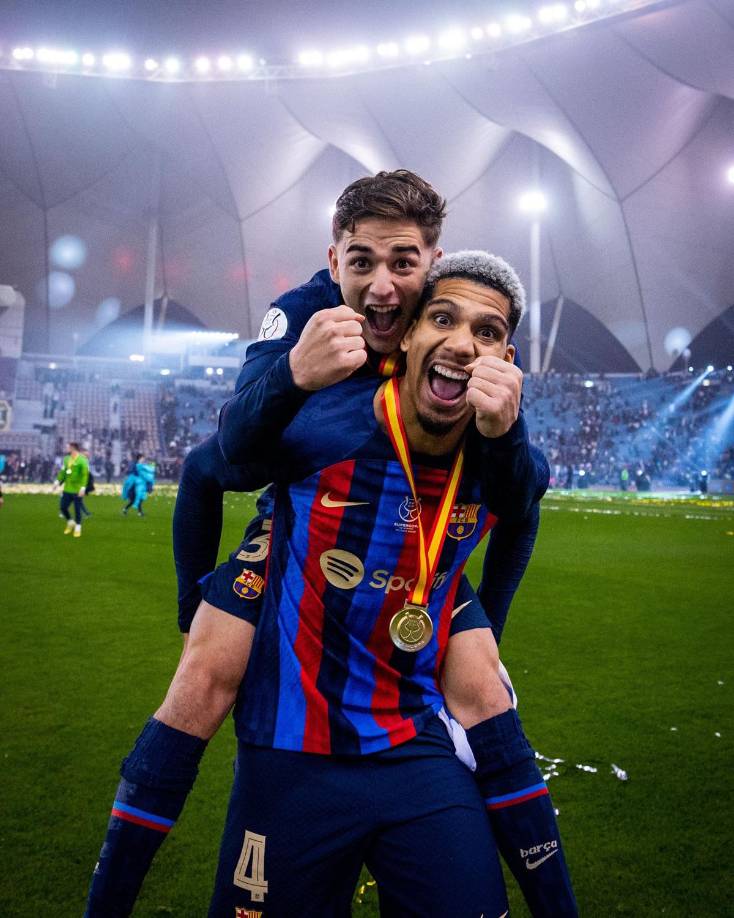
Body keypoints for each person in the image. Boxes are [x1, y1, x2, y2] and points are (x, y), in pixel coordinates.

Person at [86, 252, 576, 916]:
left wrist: (486, 614)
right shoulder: (322, 425)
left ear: (508, 359)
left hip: (412, 737)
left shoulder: (502, 450)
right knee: (202, 678)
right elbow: (209, 467)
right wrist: (195, 595)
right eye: (441, 318)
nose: (462, 343)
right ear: (405, 333)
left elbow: (522, 507)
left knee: (485, 683)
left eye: (486, 334)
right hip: (294, 740)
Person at [54, 441, 89, 537]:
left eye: (68, 447)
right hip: (67, 488)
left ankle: (78, 527)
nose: (67, 448)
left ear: (73, 448)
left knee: (77, 509)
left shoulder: (82, 460)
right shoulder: (66, 459)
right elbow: (63, 471)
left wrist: (83, 487)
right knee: (63, 507)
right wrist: (57, 481)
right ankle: (70, 521)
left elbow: (84, 475)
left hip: (77, 489)